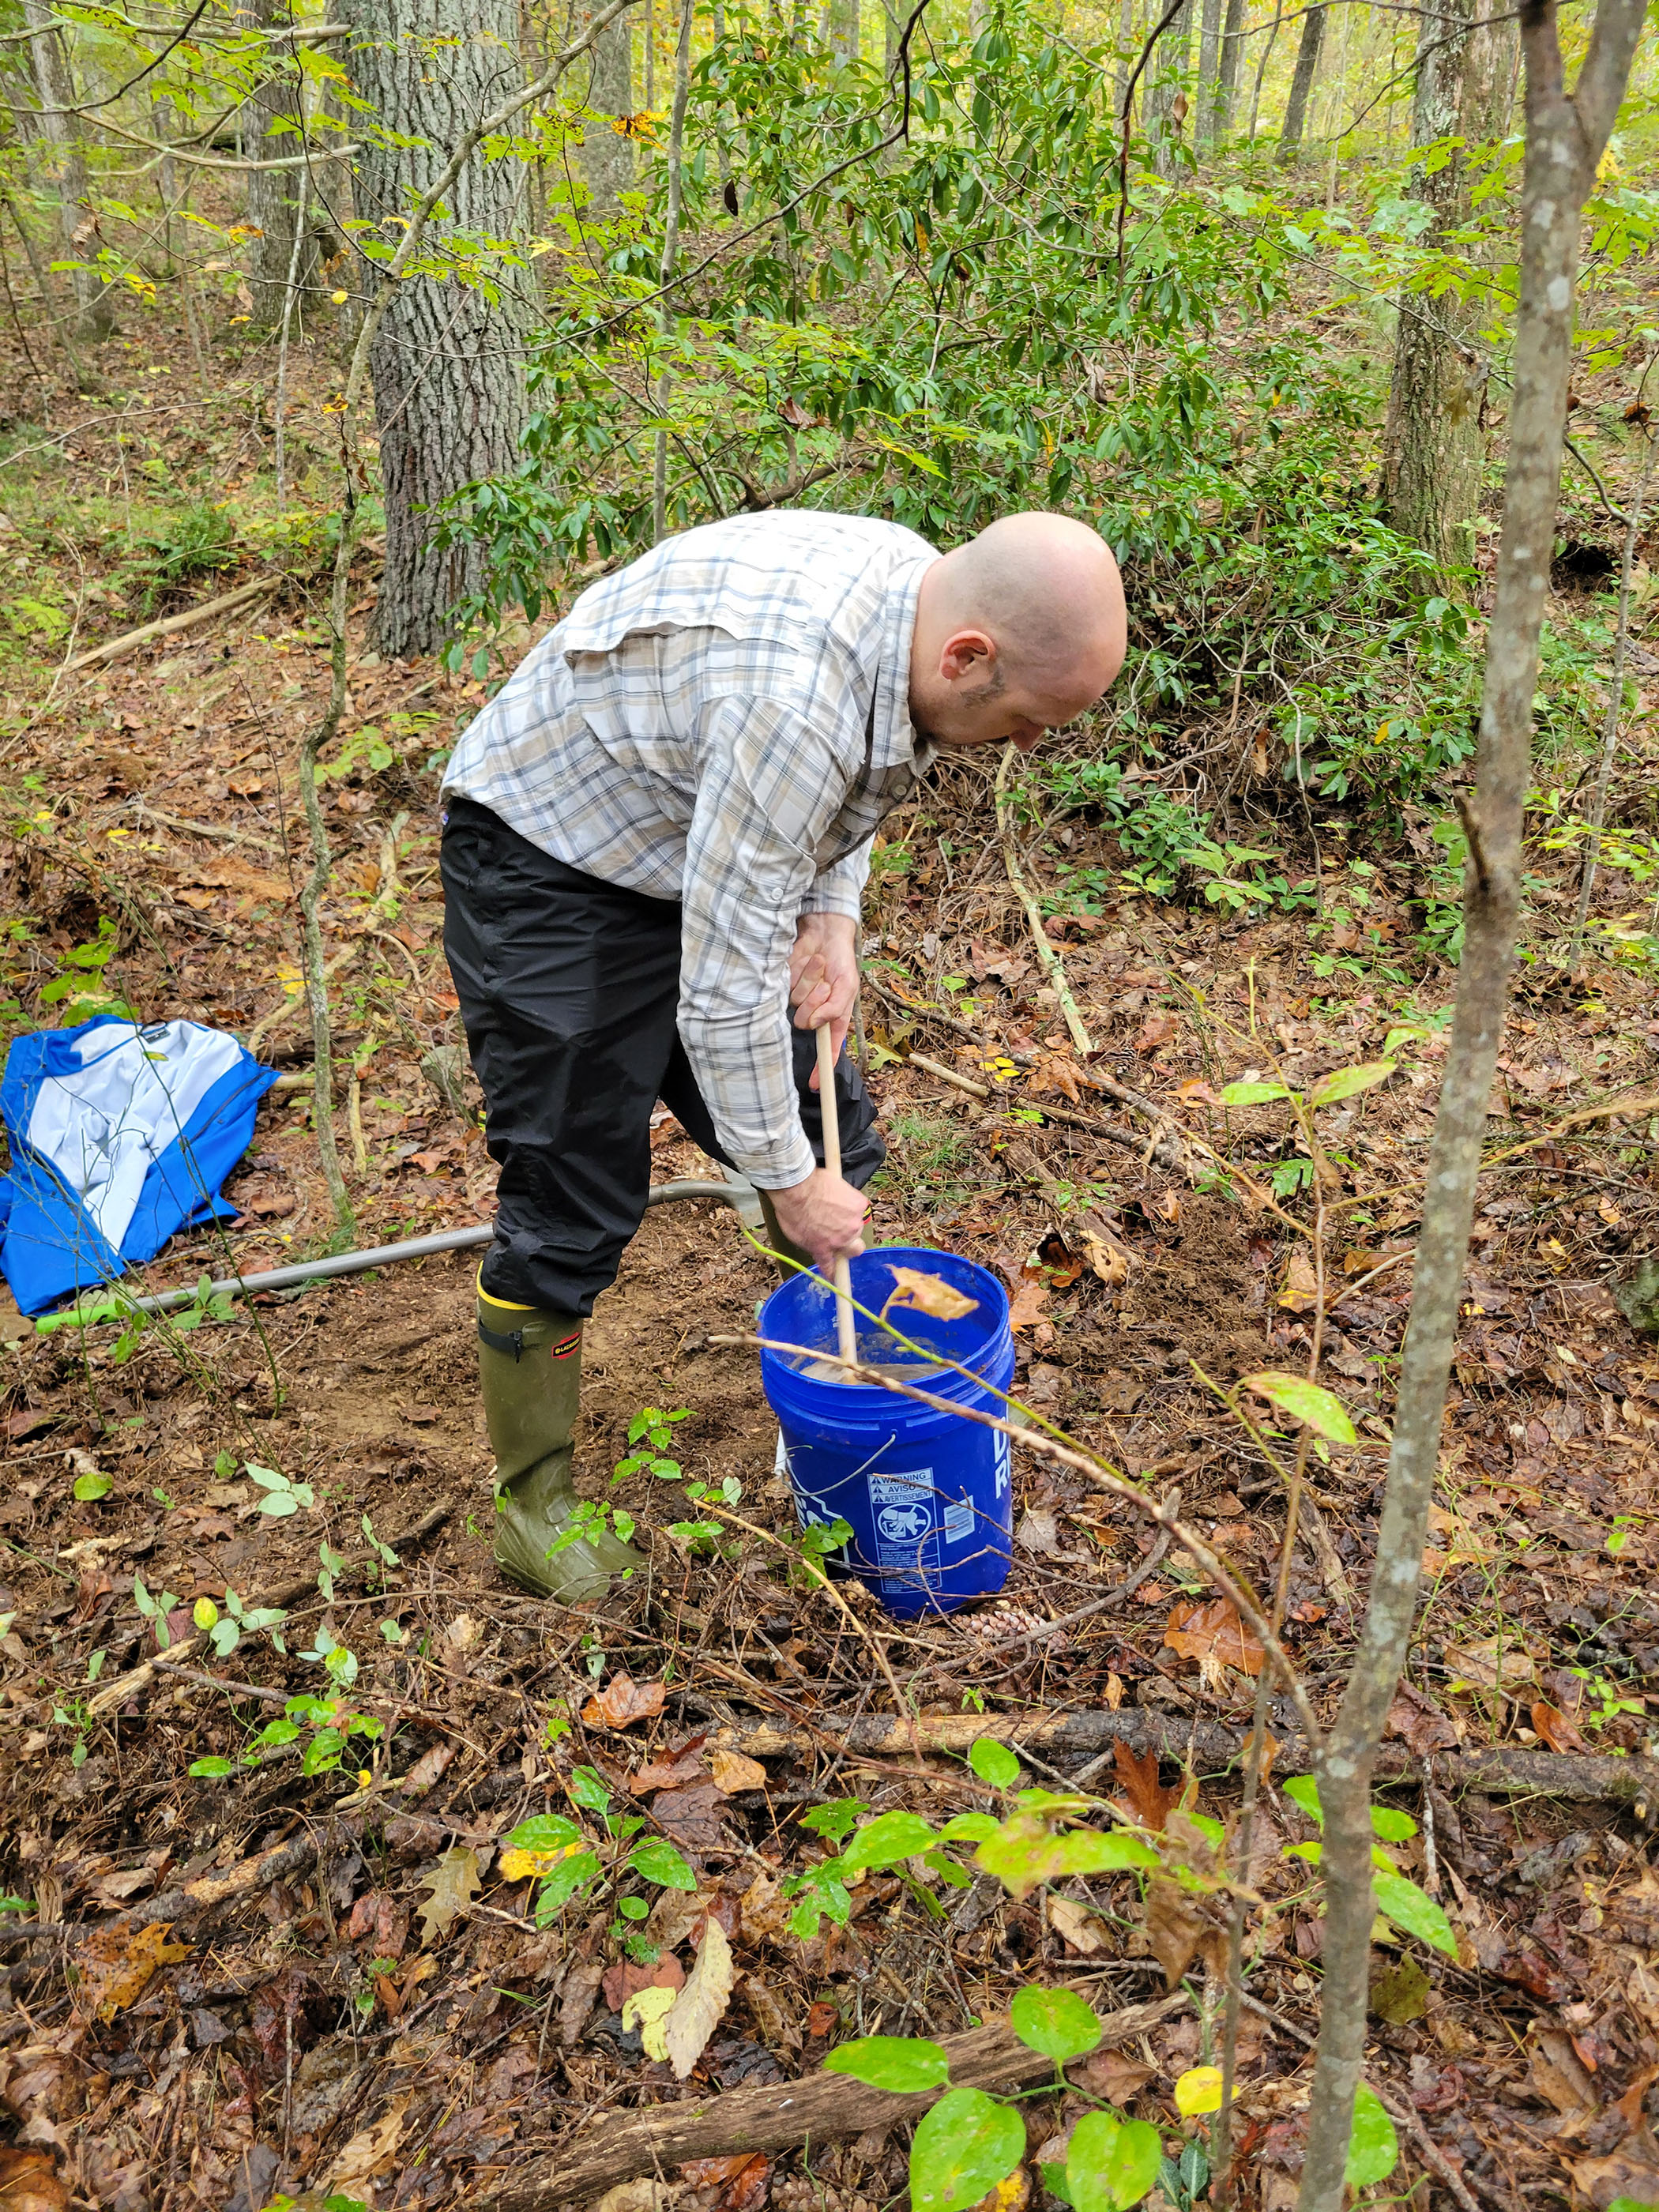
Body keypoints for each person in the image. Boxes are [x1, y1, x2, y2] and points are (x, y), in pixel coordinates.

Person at [439, 507, 1127, 1599]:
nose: (1029, 746)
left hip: (696, 830)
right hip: (552, 852)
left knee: (825, 1122)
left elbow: (843, 793)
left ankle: (835, 1390)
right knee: (574, 1190)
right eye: (1028, 720)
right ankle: (535, 1511)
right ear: (969, 656)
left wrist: (834, 921)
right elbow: (720, 991)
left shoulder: (918, 600)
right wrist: (788, 1185)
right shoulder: (793, 698)